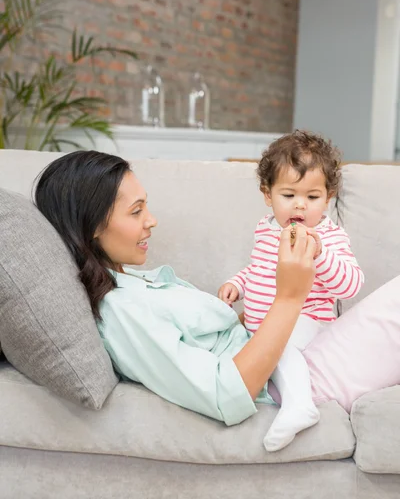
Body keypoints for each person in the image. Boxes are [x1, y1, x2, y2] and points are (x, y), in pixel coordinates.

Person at [34, 150, 317, 432]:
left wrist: (255, 312)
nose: (151, 220)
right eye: (136, 211)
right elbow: (226, 394)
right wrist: (289, 298)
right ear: (93, 225)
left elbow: (223, 340)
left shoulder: (132, 281)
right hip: (287, 381)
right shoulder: (122, 312)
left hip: (289, 357)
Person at [219, 131, 364, 451]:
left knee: (280, 342)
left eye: (312, 197)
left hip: (308, 324)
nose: (300, 204)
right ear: (267, 194)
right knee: (248, 353)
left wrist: (321, 255)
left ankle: (299, 406)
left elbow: (351, 284)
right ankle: (278, 391)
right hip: (260, 330)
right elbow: (259, 268)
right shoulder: (266, 228)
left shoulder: (329, 235)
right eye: (289, 195)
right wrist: (237, 283)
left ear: (328, 198)